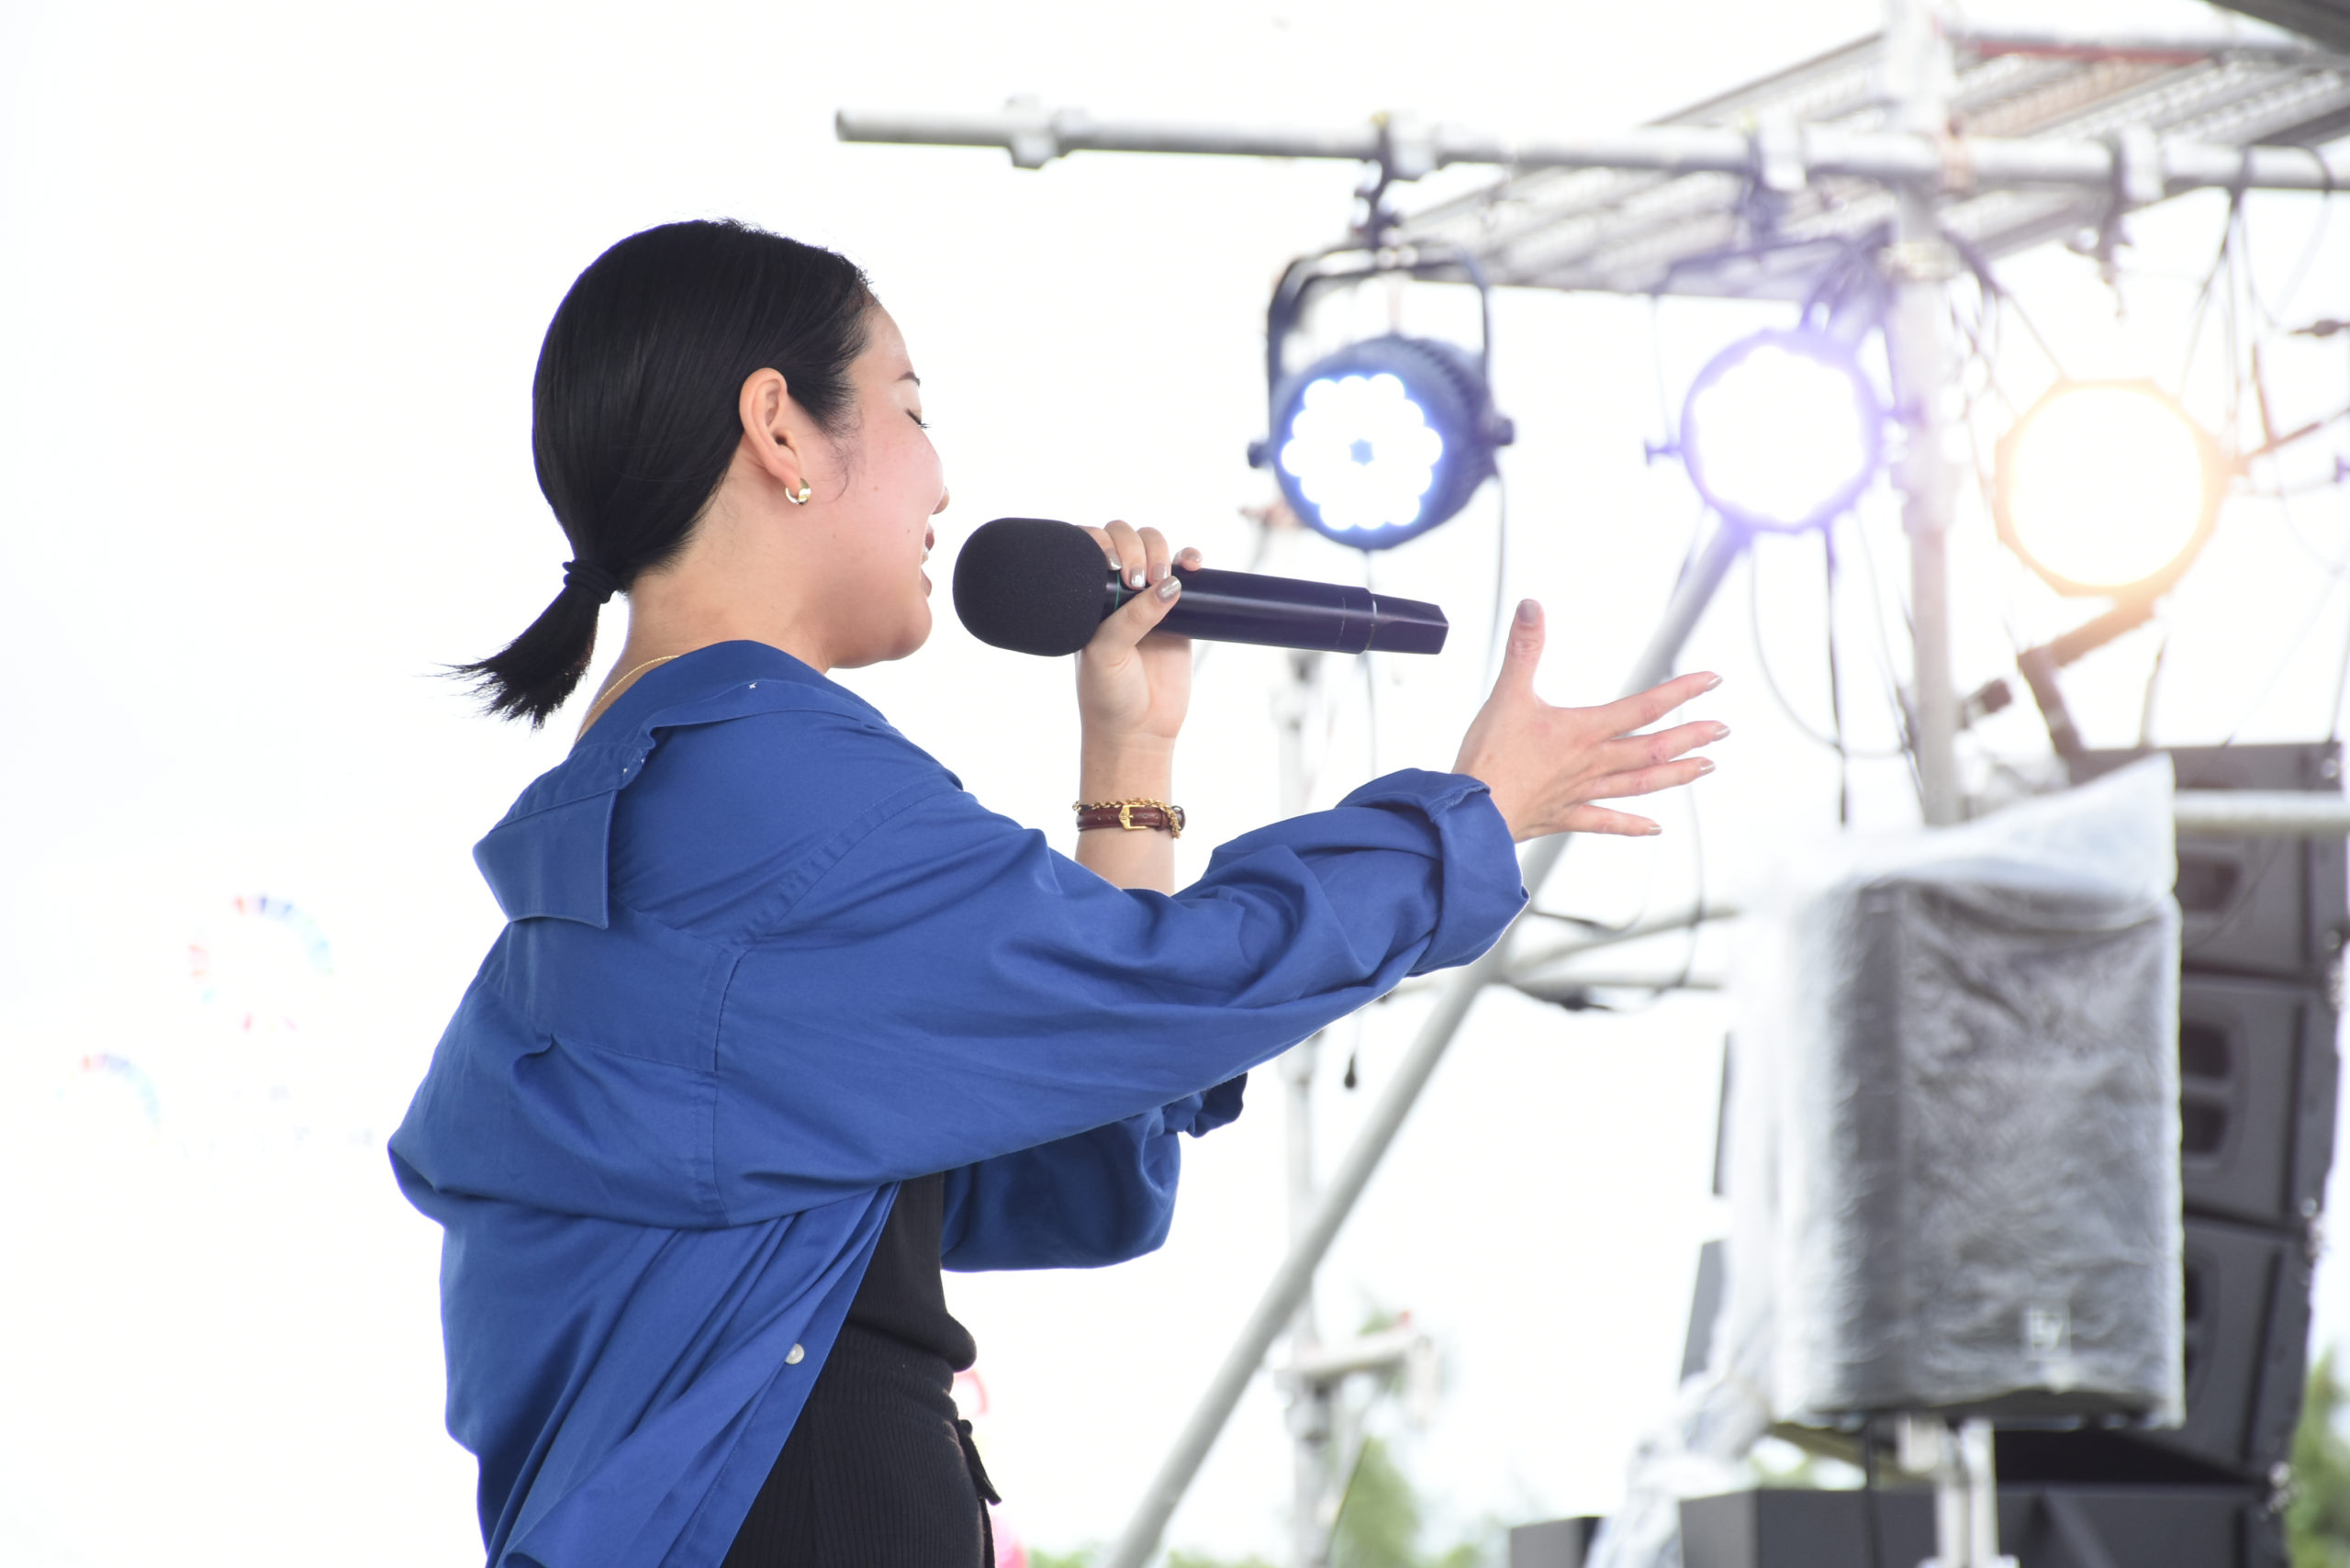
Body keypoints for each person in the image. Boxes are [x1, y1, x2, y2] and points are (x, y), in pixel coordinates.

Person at [390, 218, 1726, 1568]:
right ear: (779, 429)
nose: (942, 478)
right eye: (912, 409)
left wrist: (1129, 761)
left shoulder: (631, 836)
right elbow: (1173, 990)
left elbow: (1084, 1143)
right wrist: (1470, 822)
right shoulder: (759, 783)